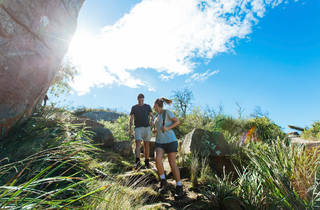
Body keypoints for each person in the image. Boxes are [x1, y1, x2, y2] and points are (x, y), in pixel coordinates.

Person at [153, 97, 184, 198]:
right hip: (159, 142)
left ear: (157, 105)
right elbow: (157, 128)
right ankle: (163, 181)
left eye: (154, 105)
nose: (153, 107)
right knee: (157, 158)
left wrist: (167, 128)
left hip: (171, 141)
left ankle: (179, 187)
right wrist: (155, 130)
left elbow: (177, 121)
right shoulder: (156, 117)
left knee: (172, 163)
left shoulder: (167, 112)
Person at [129, 93, 153, 169]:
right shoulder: (134, 107)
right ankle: (137, 161)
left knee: (146, 145)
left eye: (142, 99)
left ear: (144, 99)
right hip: (138, 128)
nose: (141, 101)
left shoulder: (147, 106)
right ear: (137, 99)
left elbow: (152, 116)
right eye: (139, 100)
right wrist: (130, 129)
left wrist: (152, 121)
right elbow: (131, 119)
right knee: (138, 144)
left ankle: (147, 161)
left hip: (147, 128)